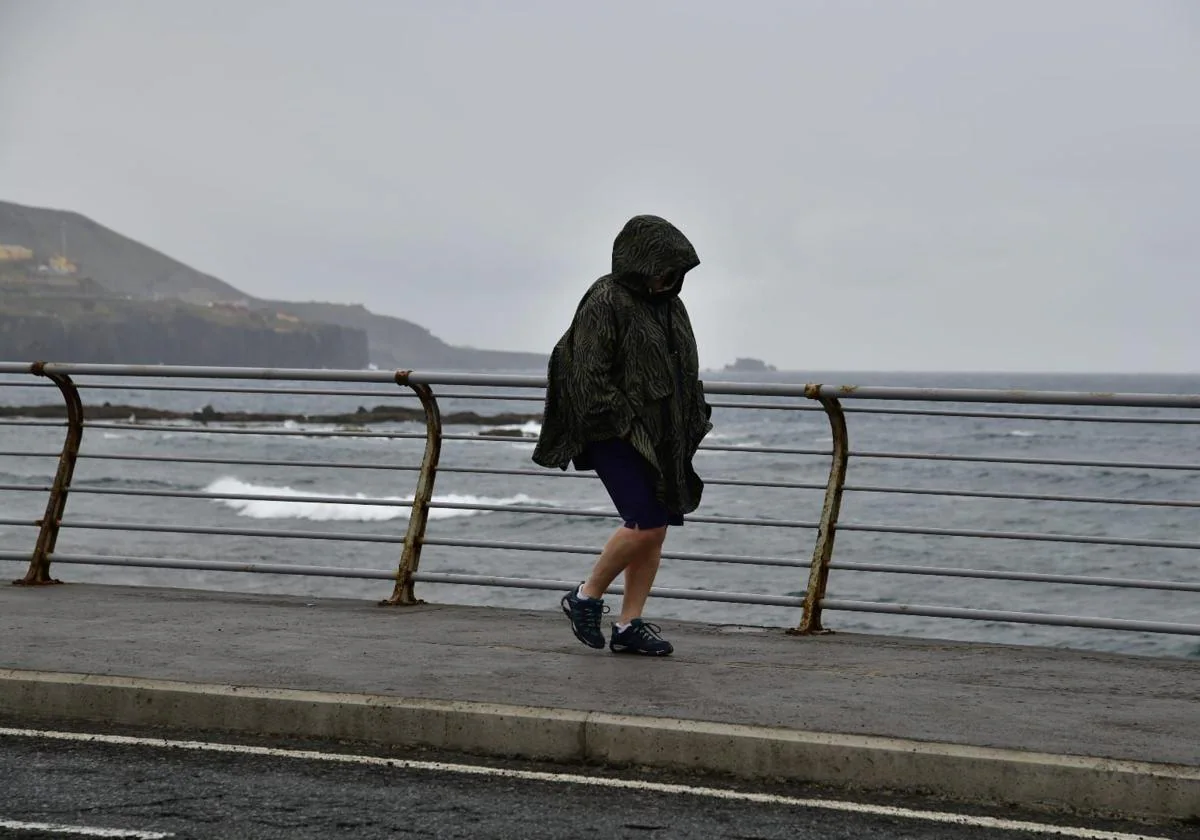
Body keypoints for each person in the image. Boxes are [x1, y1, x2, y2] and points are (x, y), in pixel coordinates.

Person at [533, 214, 713, 656]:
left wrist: (690, 416)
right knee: (646, 522)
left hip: (660, 436)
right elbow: (586, 373)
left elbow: (680, 367)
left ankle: (629, 624)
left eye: (674, 271)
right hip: (612, 432)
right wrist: (625, 421)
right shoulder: (605, 298)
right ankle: (586, 596)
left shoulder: (670, 304)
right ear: (637, 260)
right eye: (661, 268)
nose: (667, 278)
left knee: (655, 528)